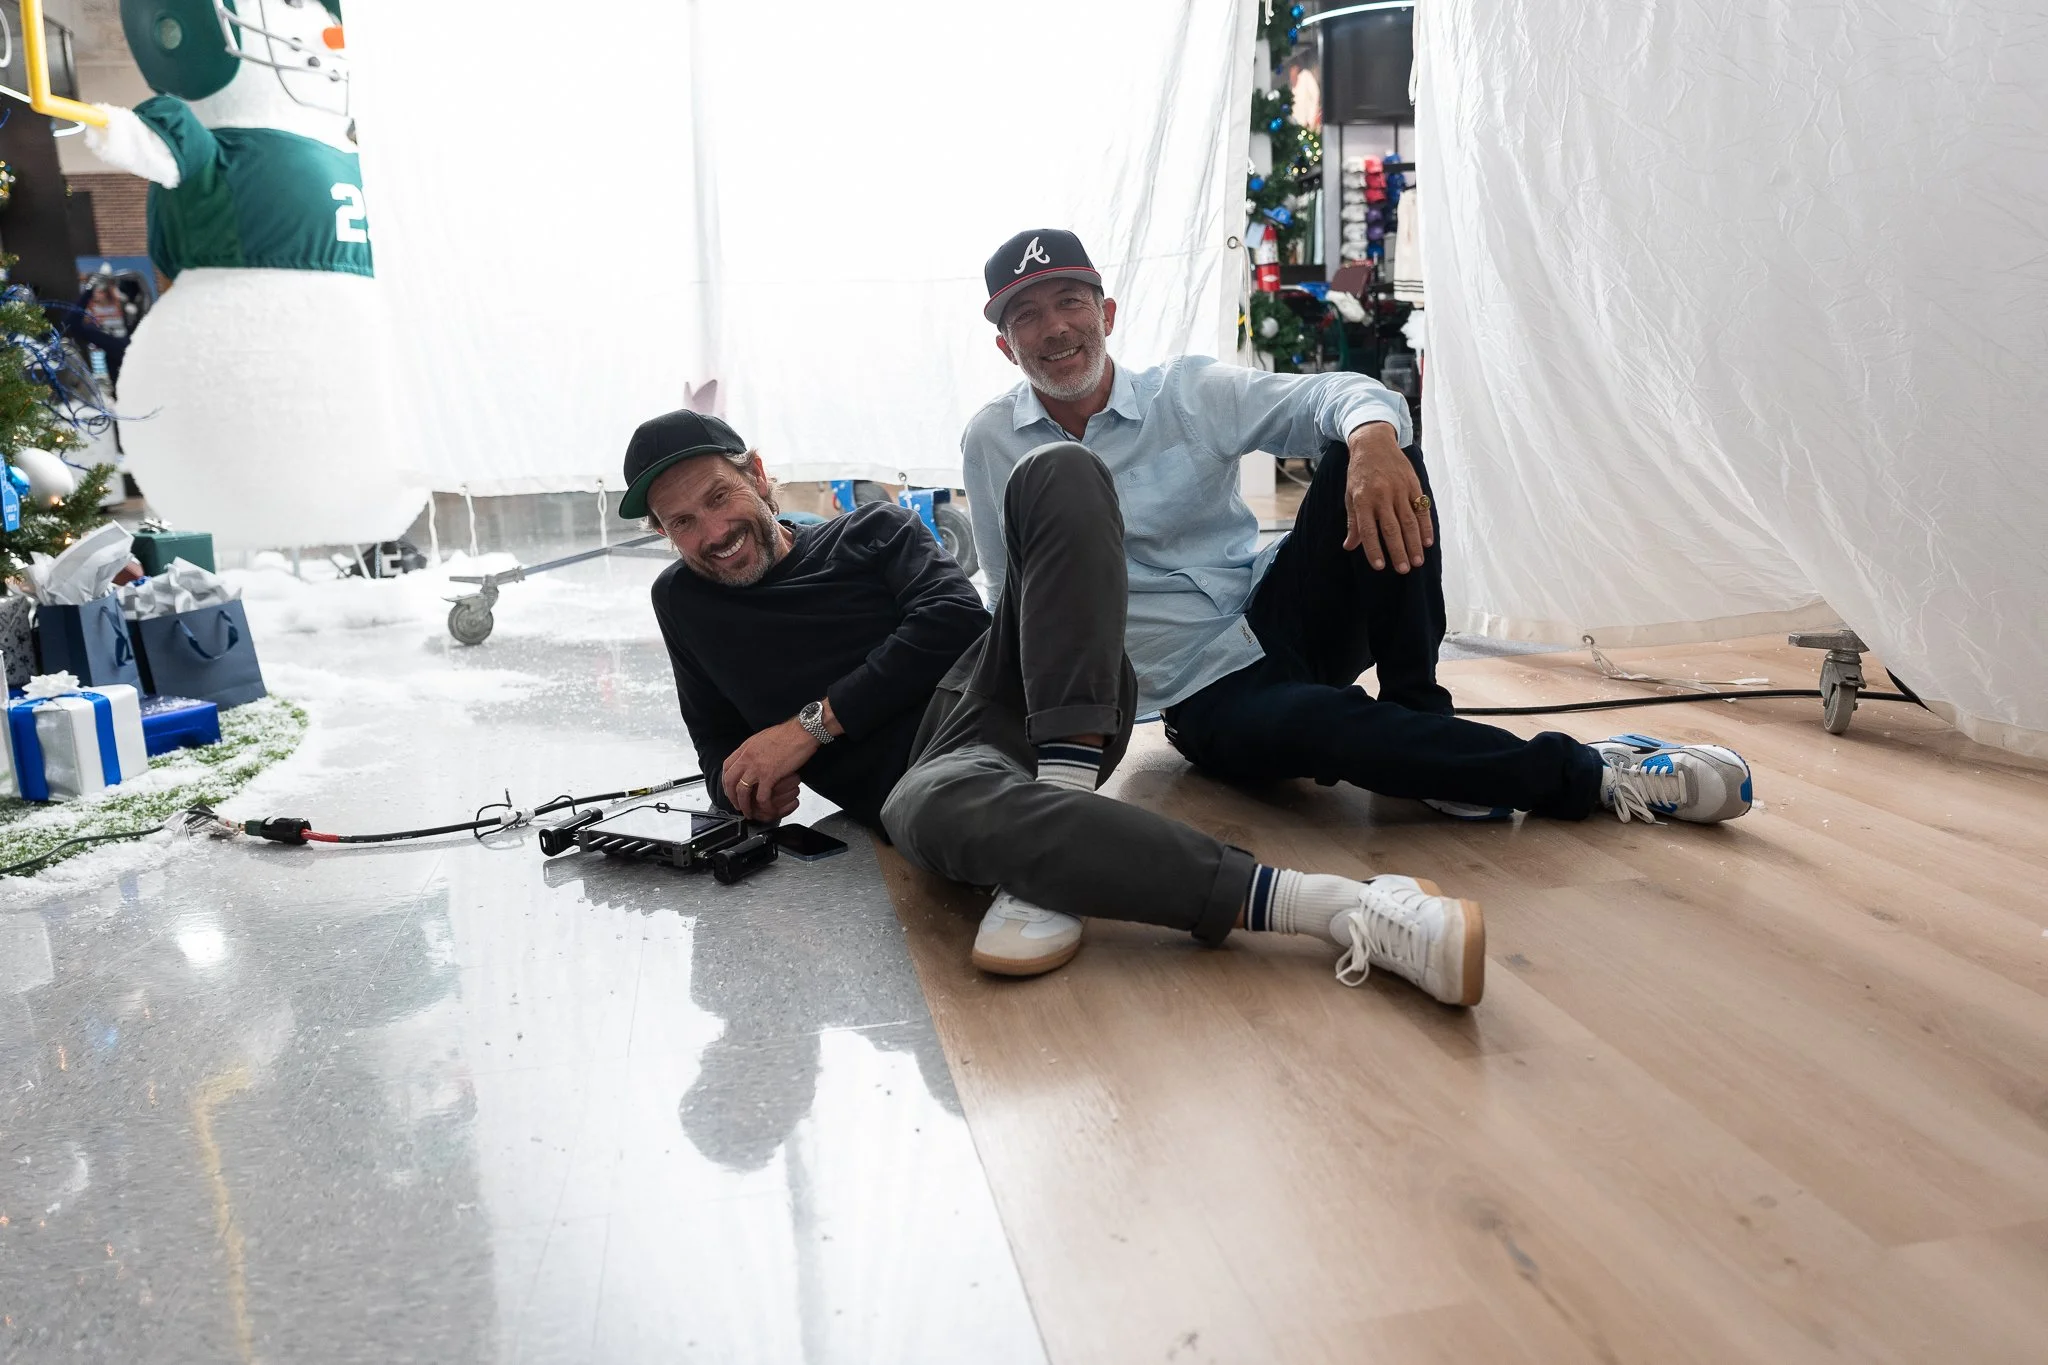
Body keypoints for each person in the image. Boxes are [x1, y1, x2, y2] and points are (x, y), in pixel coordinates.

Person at [630, 408, 1491, 1006]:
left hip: (1029, 696)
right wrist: (749, 787)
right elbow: (719, 753)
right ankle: (1342, 907)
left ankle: (1061, 804)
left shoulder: (872, 529)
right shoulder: (683, 603)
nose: (710, 533)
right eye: (680, 523)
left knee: (1057, 468)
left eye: (718, 498)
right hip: (939, 781)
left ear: (758, 475)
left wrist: (809, 727)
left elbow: (952, 620)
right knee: (922, 808)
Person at [962, 229, 1754, 829]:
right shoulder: (994, 441)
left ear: (1105, 313)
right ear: (1006, 345)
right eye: (1027, 315)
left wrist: (1374, 441)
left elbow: (1334, 396)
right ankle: (1596, 775)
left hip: (1278, 612)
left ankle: (1422, 715)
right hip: (1197, 692)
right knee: (1334, 732)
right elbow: (1010, 603)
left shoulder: (1185, 392)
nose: (1054, 328)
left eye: (1069, 302)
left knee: (1374, 450)